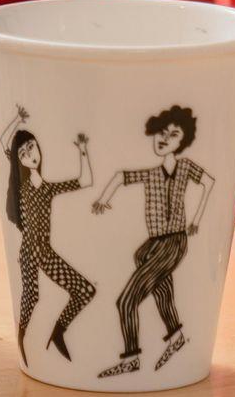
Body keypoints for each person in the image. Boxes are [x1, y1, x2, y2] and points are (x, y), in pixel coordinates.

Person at [89, 105, 215, 376]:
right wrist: (103, 200)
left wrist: (196, 220)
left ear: (183, 142)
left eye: (174, 134)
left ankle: (131, 358)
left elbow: (209, 183)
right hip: (154, 243)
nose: (165, 138)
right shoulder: (151, 174)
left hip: (174, 242)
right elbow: (121, 177)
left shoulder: (185, 167)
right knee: (154, 277)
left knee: (126, 301)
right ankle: (176, 336)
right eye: (162, 132)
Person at [1, 107, 95, 362]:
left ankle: (58, 332)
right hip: (30, 250)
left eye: (31, 147)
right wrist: (17, 120)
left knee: (85, 290)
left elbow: (85, 181)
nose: (30, 154)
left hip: (44, 250)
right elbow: (3, 142)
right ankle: (24, 339)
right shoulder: (22, 187)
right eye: (23, 153)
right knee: (32, 296)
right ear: (19, 161)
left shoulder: (47, 189)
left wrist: (83, 150)